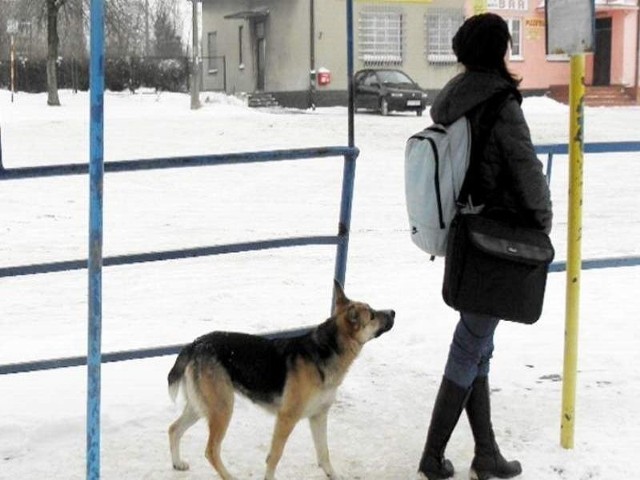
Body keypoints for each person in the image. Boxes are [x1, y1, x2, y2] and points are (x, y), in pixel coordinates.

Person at [417, 13, 553, 480]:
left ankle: (486, 453)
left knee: (480, 344)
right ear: (499, 51)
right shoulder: (500, 104)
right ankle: (432, 456)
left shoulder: (455, 101)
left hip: (465, 235)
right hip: (498, 239)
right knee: (470, 342)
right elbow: (526, 170)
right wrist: (543, 221)